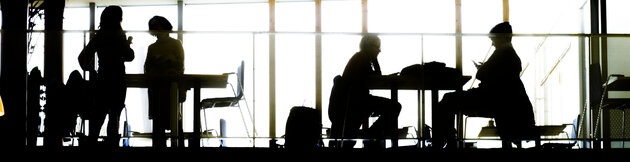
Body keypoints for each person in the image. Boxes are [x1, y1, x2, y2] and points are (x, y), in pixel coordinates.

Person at [433, 22, 536, 149]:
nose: (493, 44)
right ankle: (448, 140)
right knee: (450, 100)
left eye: (493, 39)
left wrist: (483, 67)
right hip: (503, 102)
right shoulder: (512, 56)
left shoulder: (502, 53)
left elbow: (480, 75)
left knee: (448, 100)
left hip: (490, 99)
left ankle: (445, 141)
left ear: (502, 37)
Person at [328, 34, 402, 148]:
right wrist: (375, 60)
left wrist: (375, 59)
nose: (379, 50)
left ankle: (372, 133)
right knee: (394, 107)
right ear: (369, 46)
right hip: (357, 102)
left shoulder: (360, 57)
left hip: (353, 101)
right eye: (377, 47)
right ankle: (372, 133)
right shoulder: (362, 59)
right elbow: (376, 79)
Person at [78, 5, 134, 147]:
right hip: (118, 79)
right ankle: (112, 144)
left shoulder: (100, 36)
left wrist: (92, 72)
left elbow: (82, 57)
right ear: (118, 18)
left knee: (98, 115)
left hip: (102, 79)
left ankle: (92, 143)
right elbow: (129, 56)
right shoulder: (119, 35)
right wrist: (127, 43)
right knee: (114, 115)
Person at [144, 16, 185, 148]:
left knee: (168, 122)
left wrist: (163, 64)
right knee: (168, 122)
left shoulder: (173, 44)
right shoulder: (158, 47)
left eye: (157, 25)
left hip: (167, 88)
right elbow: (147, 69)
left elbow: (180, 66)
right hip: (162, 87)